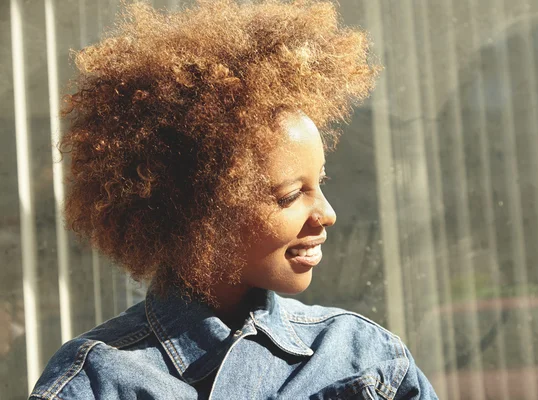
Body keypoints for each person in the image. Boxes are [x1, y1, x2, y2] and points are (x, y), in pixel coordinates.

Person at [29, 1, 438, 398]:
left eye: (322, 182)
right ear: (200, 212)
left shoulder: (366, 359)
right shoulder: (98, 382)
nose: (327, 214)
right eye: (292, 194)